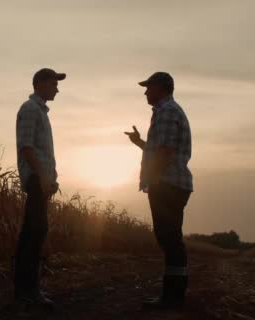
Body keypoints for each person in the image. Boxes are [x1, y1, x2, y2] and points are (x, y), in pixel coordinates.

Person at [124, 71, 193, 309]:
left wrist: (151, 179)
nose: (145, 91)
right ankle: (174, 295)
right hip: (172, 183)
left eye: (149, 87)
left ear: (162, 88)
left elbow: (164, 154)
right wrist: (139, 143)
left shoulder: (167, 112)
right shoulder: (166, 112)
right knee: (169, 237)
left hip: (167, 184)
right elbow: (159, 150)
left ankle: (172, 297)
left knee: (169, 238)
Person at [14, 68, 64, 308]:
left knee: (31, 233)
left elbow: (39, 150)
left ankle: (23, 290)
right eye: (54, 83)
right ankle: (29, 291)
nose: (57, 88)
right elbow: (26, 147)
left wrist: (51, 176)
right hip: (36, 178)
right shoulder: (30, 109)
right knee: (36, 232)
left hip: (40, 178)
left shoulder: (40, 111)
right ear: (41, 83)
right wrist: (43, 177)